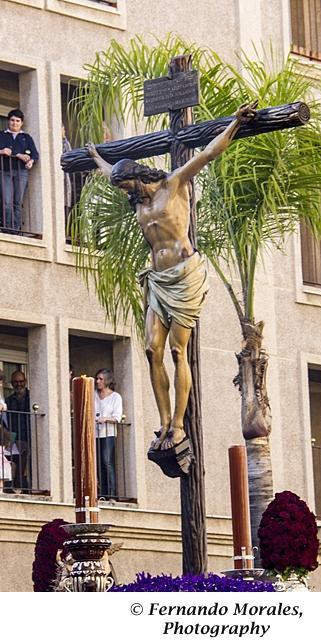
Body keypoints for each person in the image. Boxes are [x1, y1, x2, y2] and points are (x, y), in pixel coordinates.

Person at [85, 101, 257, 454]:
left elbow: (208, 153)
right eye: (123, 187)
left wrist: (236, 123)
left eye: (128, 184)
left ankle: (178, 425)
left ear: (137, 175)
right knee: (152, 349)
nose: (128, 191)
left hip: (184, 275)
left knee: (179, 351)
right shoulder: (137, 200)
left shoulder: (172, 183)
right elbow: (107, 172)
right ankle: (163, 422)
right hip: (157, 280)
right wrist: (95, 157)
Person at [0, 109, 39, 232]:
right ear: (8, 121)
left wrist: (31, 161)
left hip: (21, 173)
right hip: (5, 171)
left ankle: (16, 229)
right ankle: (7, 228)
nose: (15, 123)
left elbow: (35, 154)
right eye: (12, 120)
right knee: (6, 202)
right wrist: (18, 155)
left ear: (22, 123)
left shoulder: (26, 137)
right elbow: (2, 149)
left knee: (17, 203)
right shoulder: (1, 135)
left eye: (17, 121)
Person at [93, 368, 123, 499]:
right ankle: (102, 493)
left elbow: (117, 417)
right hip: (94, 433)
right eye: (97, 379)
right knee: (98, 463)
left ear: (107, 381)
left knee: (107, 461)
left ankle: (111, 493)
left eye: (100, 379)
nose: (98, 381)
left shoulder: (115, 397)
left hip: (108, 433)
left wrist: (105, 418)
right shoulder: (93, 394)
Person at [5, 369, 32, 493]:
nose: (18, 384)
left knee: (25, 462)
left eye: (21, 381)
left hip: (28, 435)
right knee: (11, 461)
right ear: (11, 383)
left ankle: (23, 487)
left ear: (25, 382)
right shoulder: (9, 400)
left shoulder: (31, 397)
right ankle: (11, 486)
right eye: (15, 382)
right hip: (13, 436)